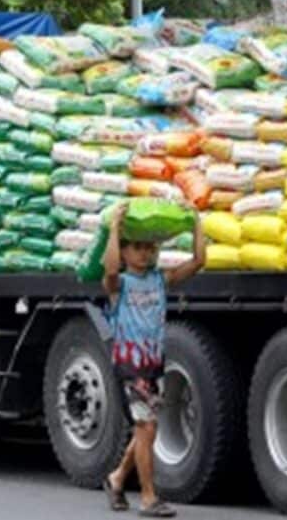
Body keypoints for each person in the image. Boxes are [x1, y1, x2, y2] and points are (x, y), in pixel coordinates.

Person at [101, 203, 206, 517]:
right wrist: (114, 228)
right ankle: (148, 497)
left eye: (151, 248)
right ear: (124, 253)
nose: (145, 254)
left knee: (147, 430)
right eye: (138, 248)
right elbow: (108, 270)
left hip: (154, 364)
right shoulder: (119, 286)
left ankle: (117, 477)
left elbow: (199, 260)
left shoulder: (161, 281)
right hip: (130, 367)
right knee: (146, 427)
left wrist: (196, 223)